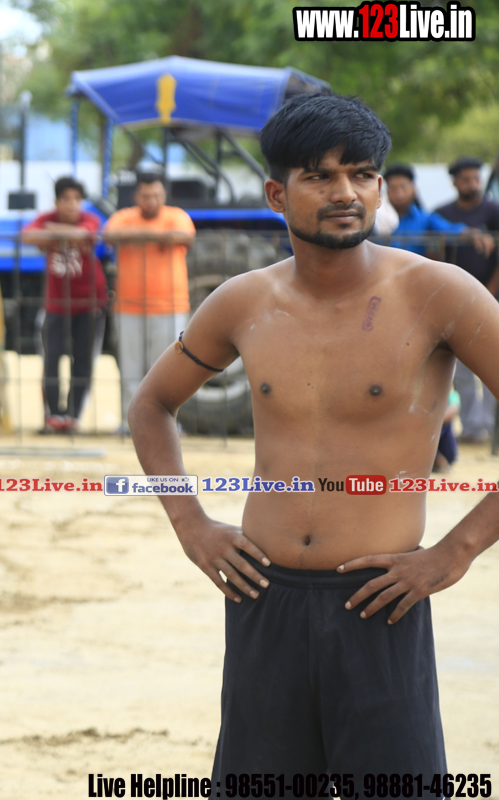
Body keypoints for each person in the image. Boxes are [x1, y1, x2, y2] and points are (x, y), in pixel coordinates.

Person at [130, 91, 499, 776]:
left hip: (382, 602)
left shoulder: (438, 292)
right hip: (260, 597)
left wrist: (457, 550)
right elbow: (151, 404)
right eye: (319, 176)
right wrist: (191, 524)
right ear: (277, 193)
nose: (345, 193)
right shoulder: (243, 301)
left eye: (362, 174)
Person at [101, 173, 194, 433]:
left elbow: (183, 236)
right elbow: (110, 235)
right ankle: (130, 422)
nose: (151, 201)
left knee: (167, 372)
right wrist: (159, 236)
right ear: (137, 196)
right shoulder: (123, 216)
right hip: (129, 306)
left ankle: (166, 423)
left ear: (164, 195)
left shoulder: (177, 216)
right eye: (146, 196)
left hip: (170, 305)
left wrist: (136, 235)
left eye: (156, 195)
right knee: (130, 369)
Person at [20, 175, 107, 433]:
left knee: (83, 361)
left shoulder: (90, 219)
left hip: (89, 303)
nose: (72, 204)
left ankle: (73, 416)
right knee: (51, 359)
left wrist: (52, 233)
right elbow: (28, 236)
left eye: (77, 199)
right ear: (57, 202)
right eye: (66, 199)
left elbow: (86, 234)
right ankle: (53, 416)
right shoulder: (45, 218)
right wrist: (62, 234)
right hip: (56, 304)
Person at [435, 155, 499, 443]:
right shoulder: (442, 213)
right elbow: (434, 254)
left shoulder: (494, 211)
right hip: (455, 303)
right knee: (460, 367)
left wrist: (488, 293)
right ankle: (473, 428)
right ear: (454, 182)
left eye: (476, 178)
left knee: (492, 363)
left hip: (491, 296)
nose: (472, 184)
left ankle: (490, 425)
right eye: (466, 179)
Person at [382, 163, 492, 257]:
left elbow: (450, 230)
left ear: (414, 189)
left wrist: (474, 234)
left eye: (403, 187)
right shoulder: (378, 218)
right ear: (386, 191)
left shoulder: (425, 218)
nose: (399, 194)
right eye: (393, 188)